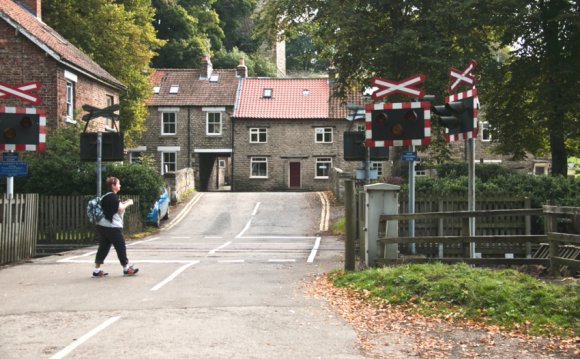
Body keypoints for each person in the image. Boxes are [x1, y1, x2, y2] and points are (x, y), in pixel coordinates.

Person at [92, 176, 139, 277]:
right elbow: (120, 208)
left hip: (102, 225)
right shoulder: (113, 197)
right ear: (113, 186)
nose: (120, 185)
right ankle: (126, 269)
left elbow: (113, 207)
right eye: (118, 184)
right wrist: (129, 203)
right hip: (112, 227)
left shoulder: (105, 196)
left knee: (103, 247)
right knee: (120, 246)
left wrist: (123, 203)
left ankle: (97, 270)